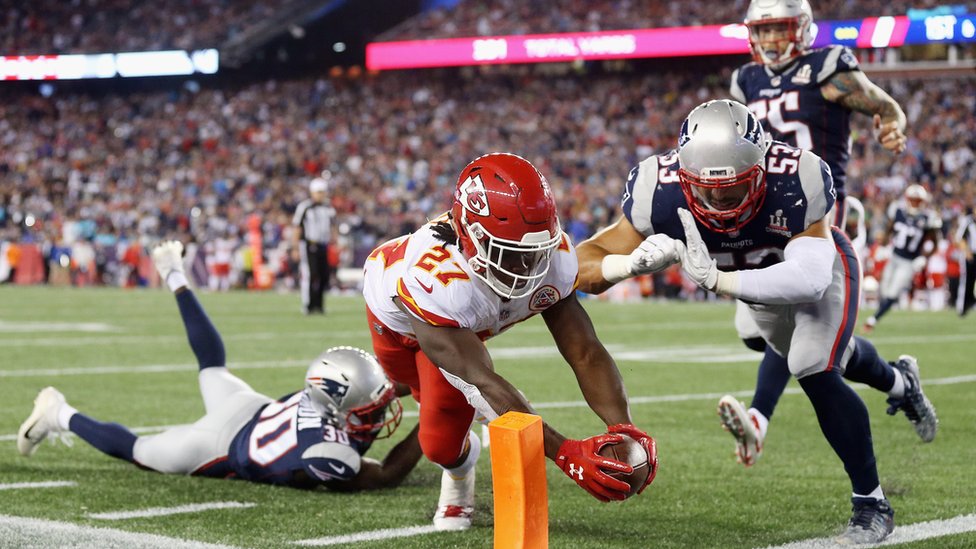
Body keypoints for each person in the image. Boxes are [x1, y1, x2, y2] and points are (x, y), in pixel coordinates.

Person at [575, 100, 937, 544]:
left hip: (820, 269)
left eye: (732, 188)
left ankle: (871, 502)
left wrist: (721, 281)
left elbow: (809, 279)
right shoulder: (657, 187)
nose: (719, 200)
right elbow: (582, 263)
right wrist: (625, 265)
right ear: (684, 176)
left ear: (761, 168)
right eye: (705, 189)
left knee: (812, 364)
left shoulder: (797, 176)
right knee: (805, 348)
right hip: (751, 286)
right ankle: (901, 383)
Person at [363, 152, 658, 530]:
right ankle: (425, 419)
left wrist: (624, 427)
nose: (528, 268)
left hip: (462, 330)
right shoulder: (437, 280)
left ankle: (455, 468)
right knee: (439, 387)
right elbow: (480, 381)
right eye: (510, 254)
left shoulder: (552, 256)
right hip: (400, 323)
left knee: (438, 443)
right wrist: (566, 453)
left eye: (536, 253)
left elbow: (584, 350)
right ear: (471, 237)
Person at [18, 241, 422, 492]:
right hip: (217, 444)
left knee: (212, 366)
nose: (382, 410)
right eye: (369, 409)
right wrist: (437, 421)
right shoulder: (326, 452)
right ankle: (58, 412)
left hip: (250, 408)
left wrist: (437, 386)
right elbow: (385, 474)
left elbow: (377, 391)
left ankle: (175, 273)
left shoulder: (328, 393)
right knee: (138, 449)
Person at [717, 0, 911, 469]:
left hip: (820, 217)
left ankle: (760, 419)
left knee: (807, 341)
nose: (767, 41)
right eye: (760, 31)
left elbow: (879, 102)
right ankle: (900, 382)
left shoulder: (828, 66)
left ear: (801, 29)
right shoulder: (745, 81)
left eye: (777, 29)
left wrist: (893, 119)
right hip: (763, 218)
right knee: (767, 334)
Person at [863, 184, 942, 332]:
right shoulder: (898, 211)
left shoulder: (928, 218)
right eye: (913, 199)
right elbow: (889, 230)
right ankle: (877, 314)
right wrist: (883, 246)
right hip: (894, 256)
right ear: (907, 199)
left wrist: (925, 257)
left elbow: (935, 244)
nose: (915, 203)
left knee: (893, 293)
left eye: (918, 200)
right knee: (884, 290)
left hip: (908, 262)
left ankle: (873, 319)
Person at [293, 175, 336, 315]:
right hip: (308, 244)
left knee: (324, 275)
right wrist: (295, 247)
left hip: (323, 245)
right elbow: (297, 227)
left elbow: (332, 225)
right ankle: (308, 305)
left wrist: (335, 241)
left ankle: (319, 304)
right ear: (312, 192)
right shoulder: (305, 207)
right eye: (318, 192)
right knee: (311, 275)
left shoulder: (328, 207)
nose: (321, 195)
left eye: (322, 191)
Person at [956, 206, 976, 317]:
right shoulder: (968, 221)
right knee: (967, 280)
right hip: (970, 254)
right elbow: (960, 238)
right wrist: (966, 251)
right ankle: (962, 307)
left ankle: (972, 302)